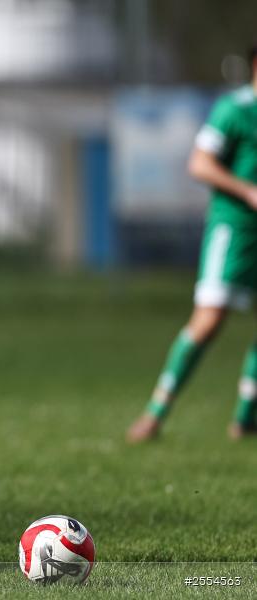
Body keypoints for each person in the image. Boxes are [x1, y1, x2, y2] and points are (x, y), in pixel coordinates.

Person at [127, 42, 257, 443]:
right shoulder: (234, 110)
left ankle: (245, 419)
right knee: (208, 322)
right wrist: (247, 191)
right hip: (234, 230)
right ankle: (155, 414)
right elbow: (200, 163)